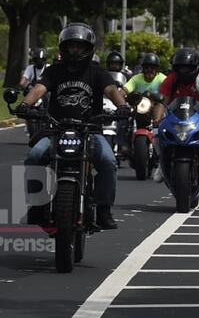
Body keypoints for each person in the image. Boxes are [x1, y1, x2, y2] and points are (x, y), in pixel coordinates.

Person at [17, 23, 129, 230]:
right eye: (71, 45)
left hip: (89, 130)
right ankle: (36, 205)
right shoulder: (54, 71)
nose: (75, 50)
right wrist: (25, 104)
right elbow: (39, 88)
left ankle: (103, 209)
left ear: (88, 48)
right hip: (56, 129)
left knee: (108, 161)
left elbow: (111, 90)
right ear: (64, 47)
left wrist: (122, 106)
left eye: (80, 46)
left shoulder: (97, 72)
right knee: (34, 156)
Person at [154, 48, 199, 189]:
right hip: (175, 118)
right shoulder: (171, 80)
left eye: (187, 68)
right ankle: (161, 163)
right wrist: (157, 120)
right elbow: (162, 101)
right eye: (181, 68)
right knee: (156, 133)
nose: (184, 71)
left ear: (196, 67)